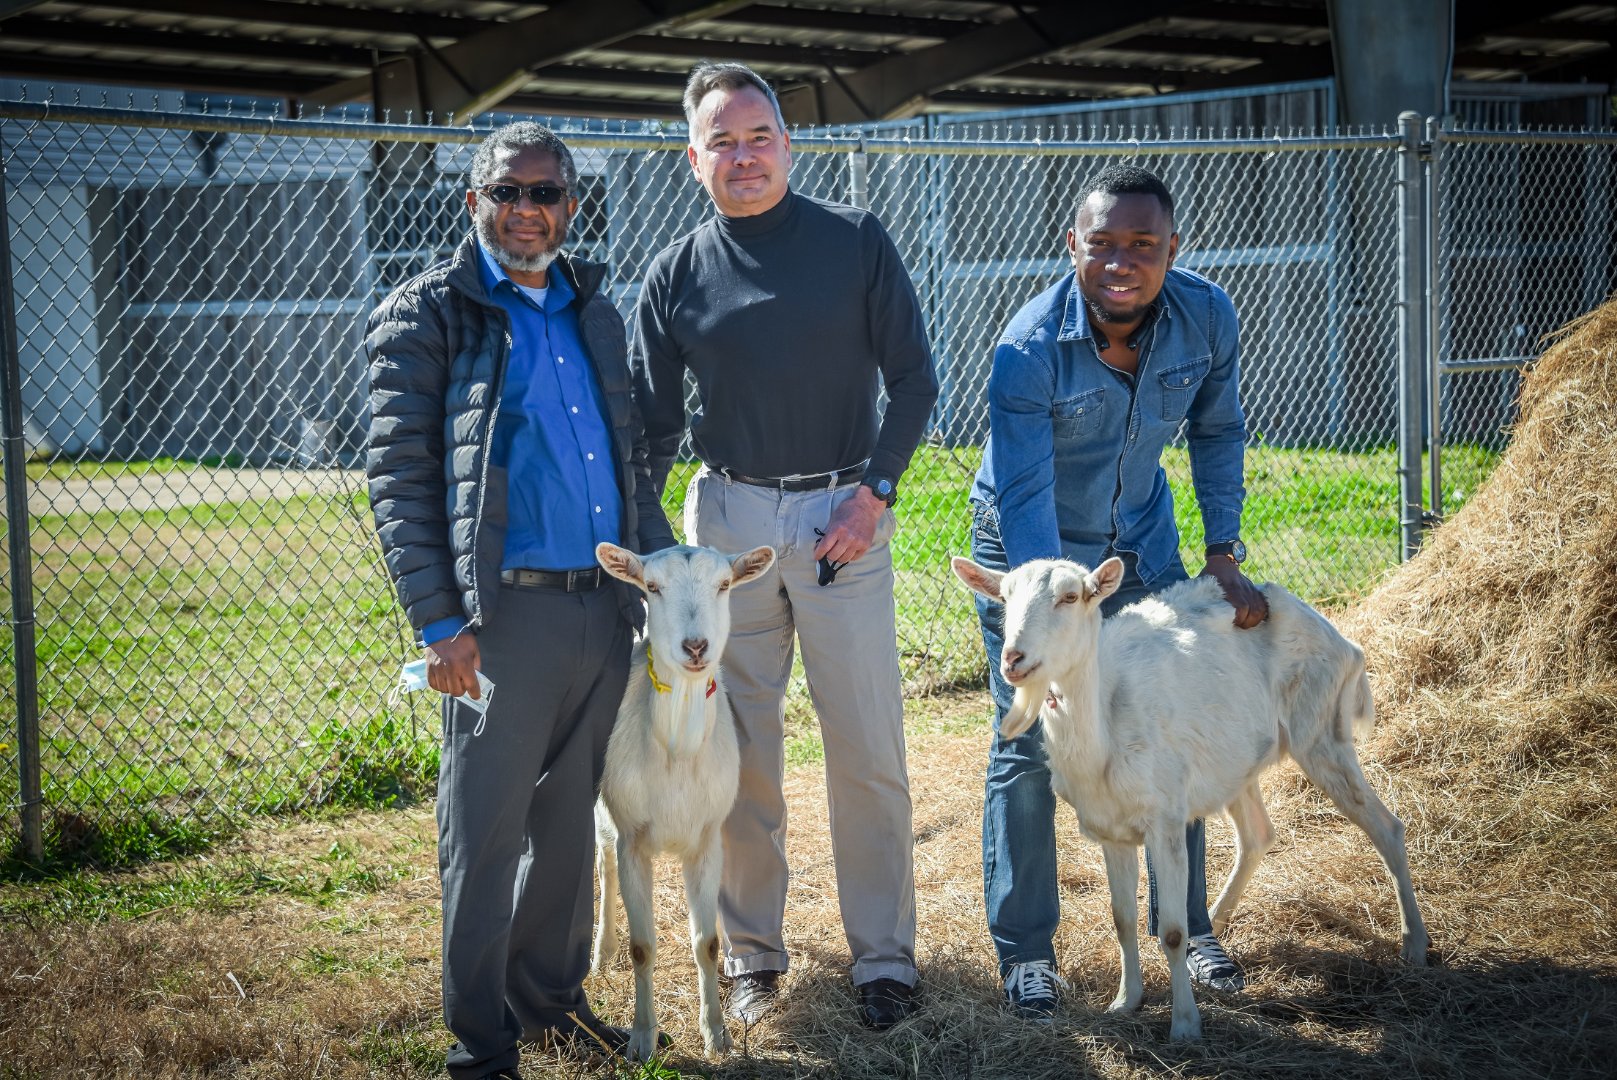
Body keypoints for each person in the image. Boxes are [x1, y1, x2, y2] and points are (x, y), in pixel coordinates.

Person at [632, 62, 940, 1031]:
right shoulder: (675, 274)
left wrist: (875, 493)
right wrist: (656, 554)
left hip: (839, 521)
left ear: (788, 143)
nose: (744, 155)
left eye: (758, 135)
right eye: (721, 141)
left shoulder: (855, 242)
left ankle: (885, 963)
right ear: (694, 160)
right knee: (741, 751)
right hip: (728, 533)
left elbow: (917, 381)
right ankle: (753, 958)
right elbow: (648, 429)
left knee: (868, 752)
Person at [364, 121, 674, 1079]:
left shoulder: (594, 309)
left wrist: (662, 584)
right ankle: (481, 1043)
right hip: (497, 622)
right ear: (474, 202)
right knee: (487, 831)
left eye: (544, 193)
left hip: (599, 612)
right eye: (507, 192)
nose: (526, 209)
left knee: (569, 823)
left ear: (571, 207)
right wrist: (439, 625)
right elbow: (399, 478)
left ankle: (548, 1002)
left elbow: (630, 463)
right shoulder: (428, 313)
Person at [970, 164, 1269, 1021]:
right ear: (1072, 246)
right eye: (1101, 243)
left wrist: (1220, 552)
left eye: (1142, 244)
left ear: (1173, 250)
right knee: (1029, 736)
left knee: (1165, 729)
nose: (1120, 260)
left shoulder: (1207, 315)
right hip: (1031, 560)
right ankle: (1027, 954)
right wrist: (1055, 634)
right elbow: (1025, 500)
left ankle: (1192, 925)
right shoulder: (1026, 348)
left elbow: (1218, 428)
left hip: (1140, 550)